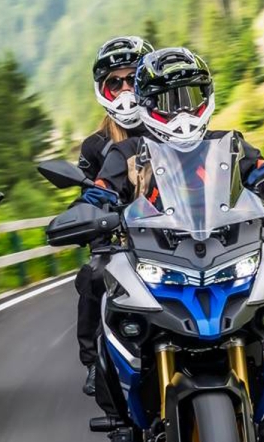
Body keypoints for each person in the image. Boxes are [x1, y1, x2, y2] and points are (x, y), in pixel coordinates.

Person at [79, 48, 264, 442]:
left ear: (207, 97)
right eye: (168, 101)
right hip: (155, 256)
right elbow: (100, 191)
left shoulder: (230, 145)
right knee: (114, 320)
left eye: (190, 97)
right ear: (146, 105)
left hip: (226, 252)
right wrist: (88, 213)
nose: (182, 112)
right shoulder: (125, 152)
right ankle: (124, 425)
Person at [76, 36, 155, 398]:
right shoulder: (95, 146)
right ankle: (95, 361)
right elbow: (88, 195)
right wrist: (94, 224)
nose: (125, 89)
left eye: (133, 79)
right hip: (121, 240)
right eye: (115, 82)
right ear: (103, 90)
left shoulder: (173, 125)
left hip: (179, 232)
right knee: (94, 275)